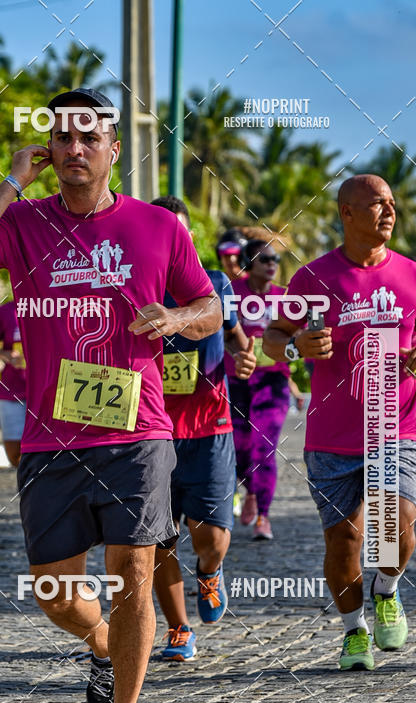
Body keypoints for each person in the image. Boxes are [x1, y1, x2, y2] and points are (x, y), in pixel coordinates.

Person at [0, 87, 221, 703]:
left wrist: (177, 322)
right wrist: (11, 181)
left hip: (137, 431)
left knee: (134, 571)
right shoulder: (26, 223)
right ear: (50, 149)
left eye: (89, 138)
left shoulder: (159, 227)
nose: (74, 149)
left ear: (113, 149)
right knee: (55, 593)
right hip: (51, 438)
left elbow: (210, 306)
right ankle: (99, 643)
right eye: (63, 138)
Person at [264, 174, 416, 671]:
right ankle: (354, 630)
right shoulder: (312, 279)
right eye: (376, 205)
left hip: (397, 424)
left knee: (396, 526)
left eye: (391, 204)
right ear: (347, 213)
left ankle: (386, 589)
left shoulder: (413, 274)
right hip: (332, 435)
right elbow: (273, 337)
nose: (388, 212)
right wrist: (295, 347)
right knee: (343, 540)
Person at [150, 196, 256, 661]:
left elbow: (232, 332)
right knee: (156, 538)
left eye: (180, 233)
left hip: (209, 428)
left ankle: (209, 573)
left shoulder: (215, 285)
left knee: (210, 538)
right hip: (149, 433)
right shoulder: (132, 286)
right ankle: (178, 628)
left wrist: (243, 354)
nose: (172, 241)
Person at [227, 239, 291, 540]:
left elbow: (301, 335)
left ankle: (263, 515)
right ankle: (250, 490)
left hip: (272, 381)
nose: (271, 263)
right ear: (248, 262)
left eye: (275, 259)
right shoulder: (230, 292)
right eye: (265, 258)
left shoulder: (285, 297)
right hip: (235, 381)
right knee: (239, 450)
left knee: (263, 448)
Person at [0, 300, 27, 467]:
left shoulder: (52, 306)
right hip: (11, 392)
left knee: (47, 452)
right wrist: (7, 355)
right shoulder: (4, 311)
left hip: (45, 392)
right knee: (14, 455)